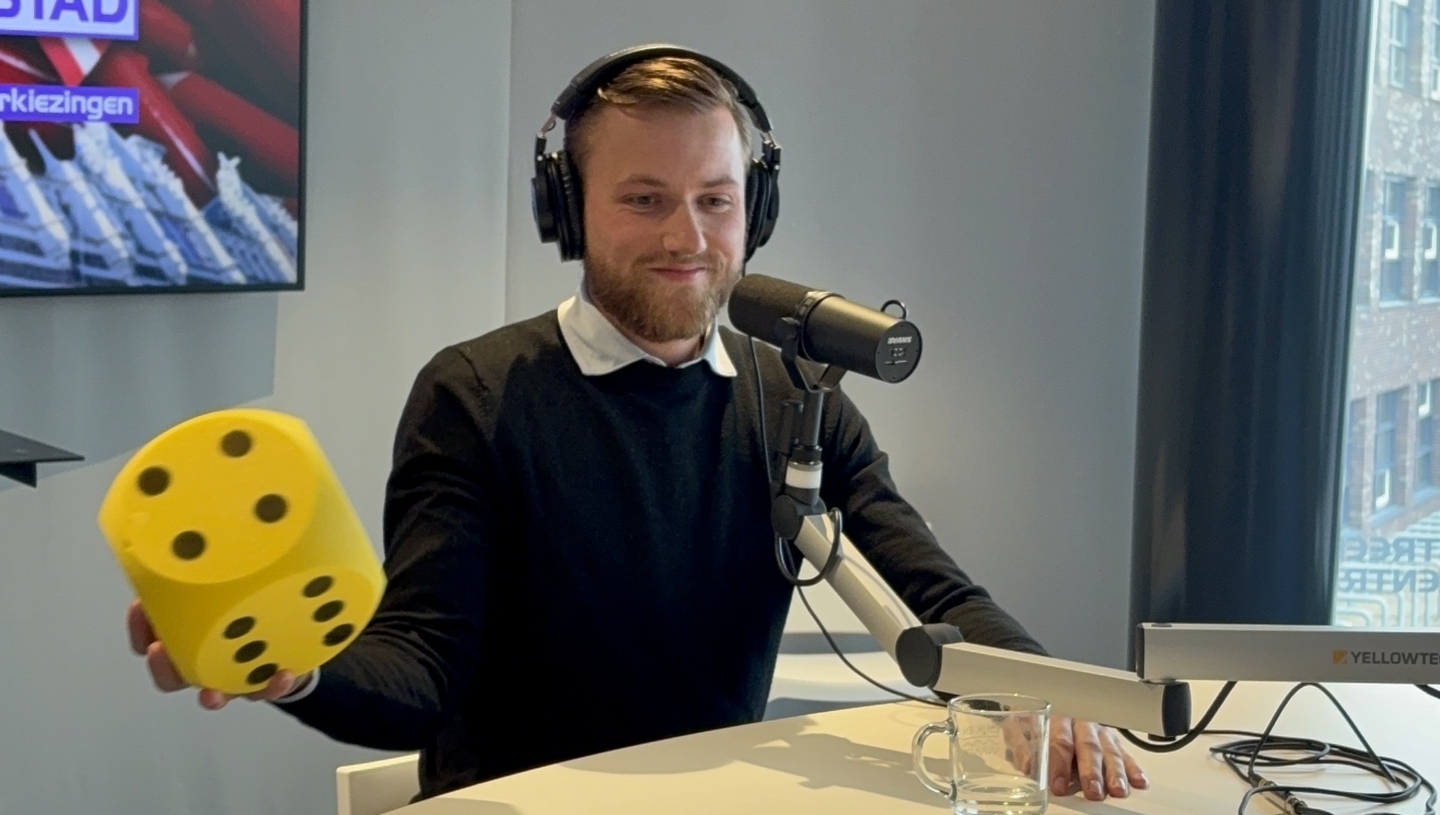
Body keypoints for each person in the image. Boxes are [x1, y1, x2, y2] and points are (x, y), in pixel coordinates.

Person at [125, 45, 1147, 803]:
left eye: (716, 198)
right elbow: (421, 667)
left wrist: (1039, 693)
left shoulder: (793, 391)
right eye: (645, 198)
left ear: (758, 207)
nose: (687, 238)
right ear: (570, 211)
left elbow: (929, 580)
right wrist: (292, 664)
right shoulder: (477, 393)